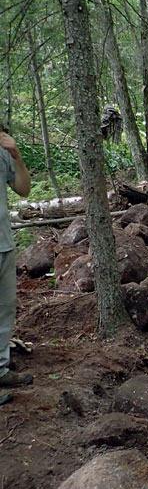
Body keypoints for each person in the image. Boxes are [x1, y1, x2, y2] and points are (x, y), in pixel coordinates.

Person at [0, 123, 32, 406]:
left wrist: (16, 154)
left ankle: (0, 369)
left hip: (4, 244)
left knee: (5, 309)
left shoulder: (3, 151)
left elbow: (23, 190)